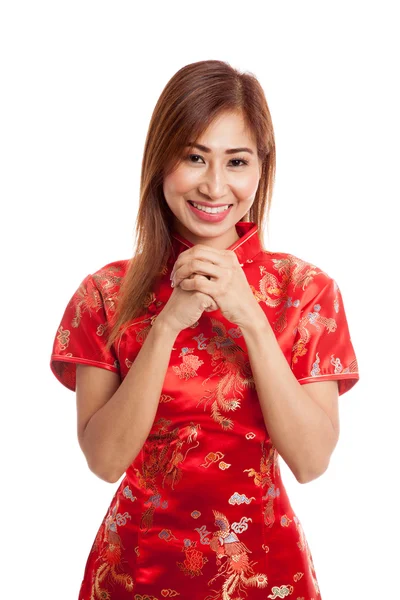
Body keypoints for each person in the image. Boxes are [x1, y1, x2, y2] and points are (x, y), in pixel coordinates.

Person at [50, 59, 360, 599]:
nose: (215, 185)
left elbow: (312, 462)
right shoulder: (106, 294)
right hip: (135, 573)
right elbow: (103, 460)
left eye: (236, 161)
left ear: (260, 170)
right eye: (194, 157)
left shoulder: (306, 291)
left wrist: (252, 320)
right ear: (161, 162)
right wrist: (167, 324)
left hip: (266, 573)